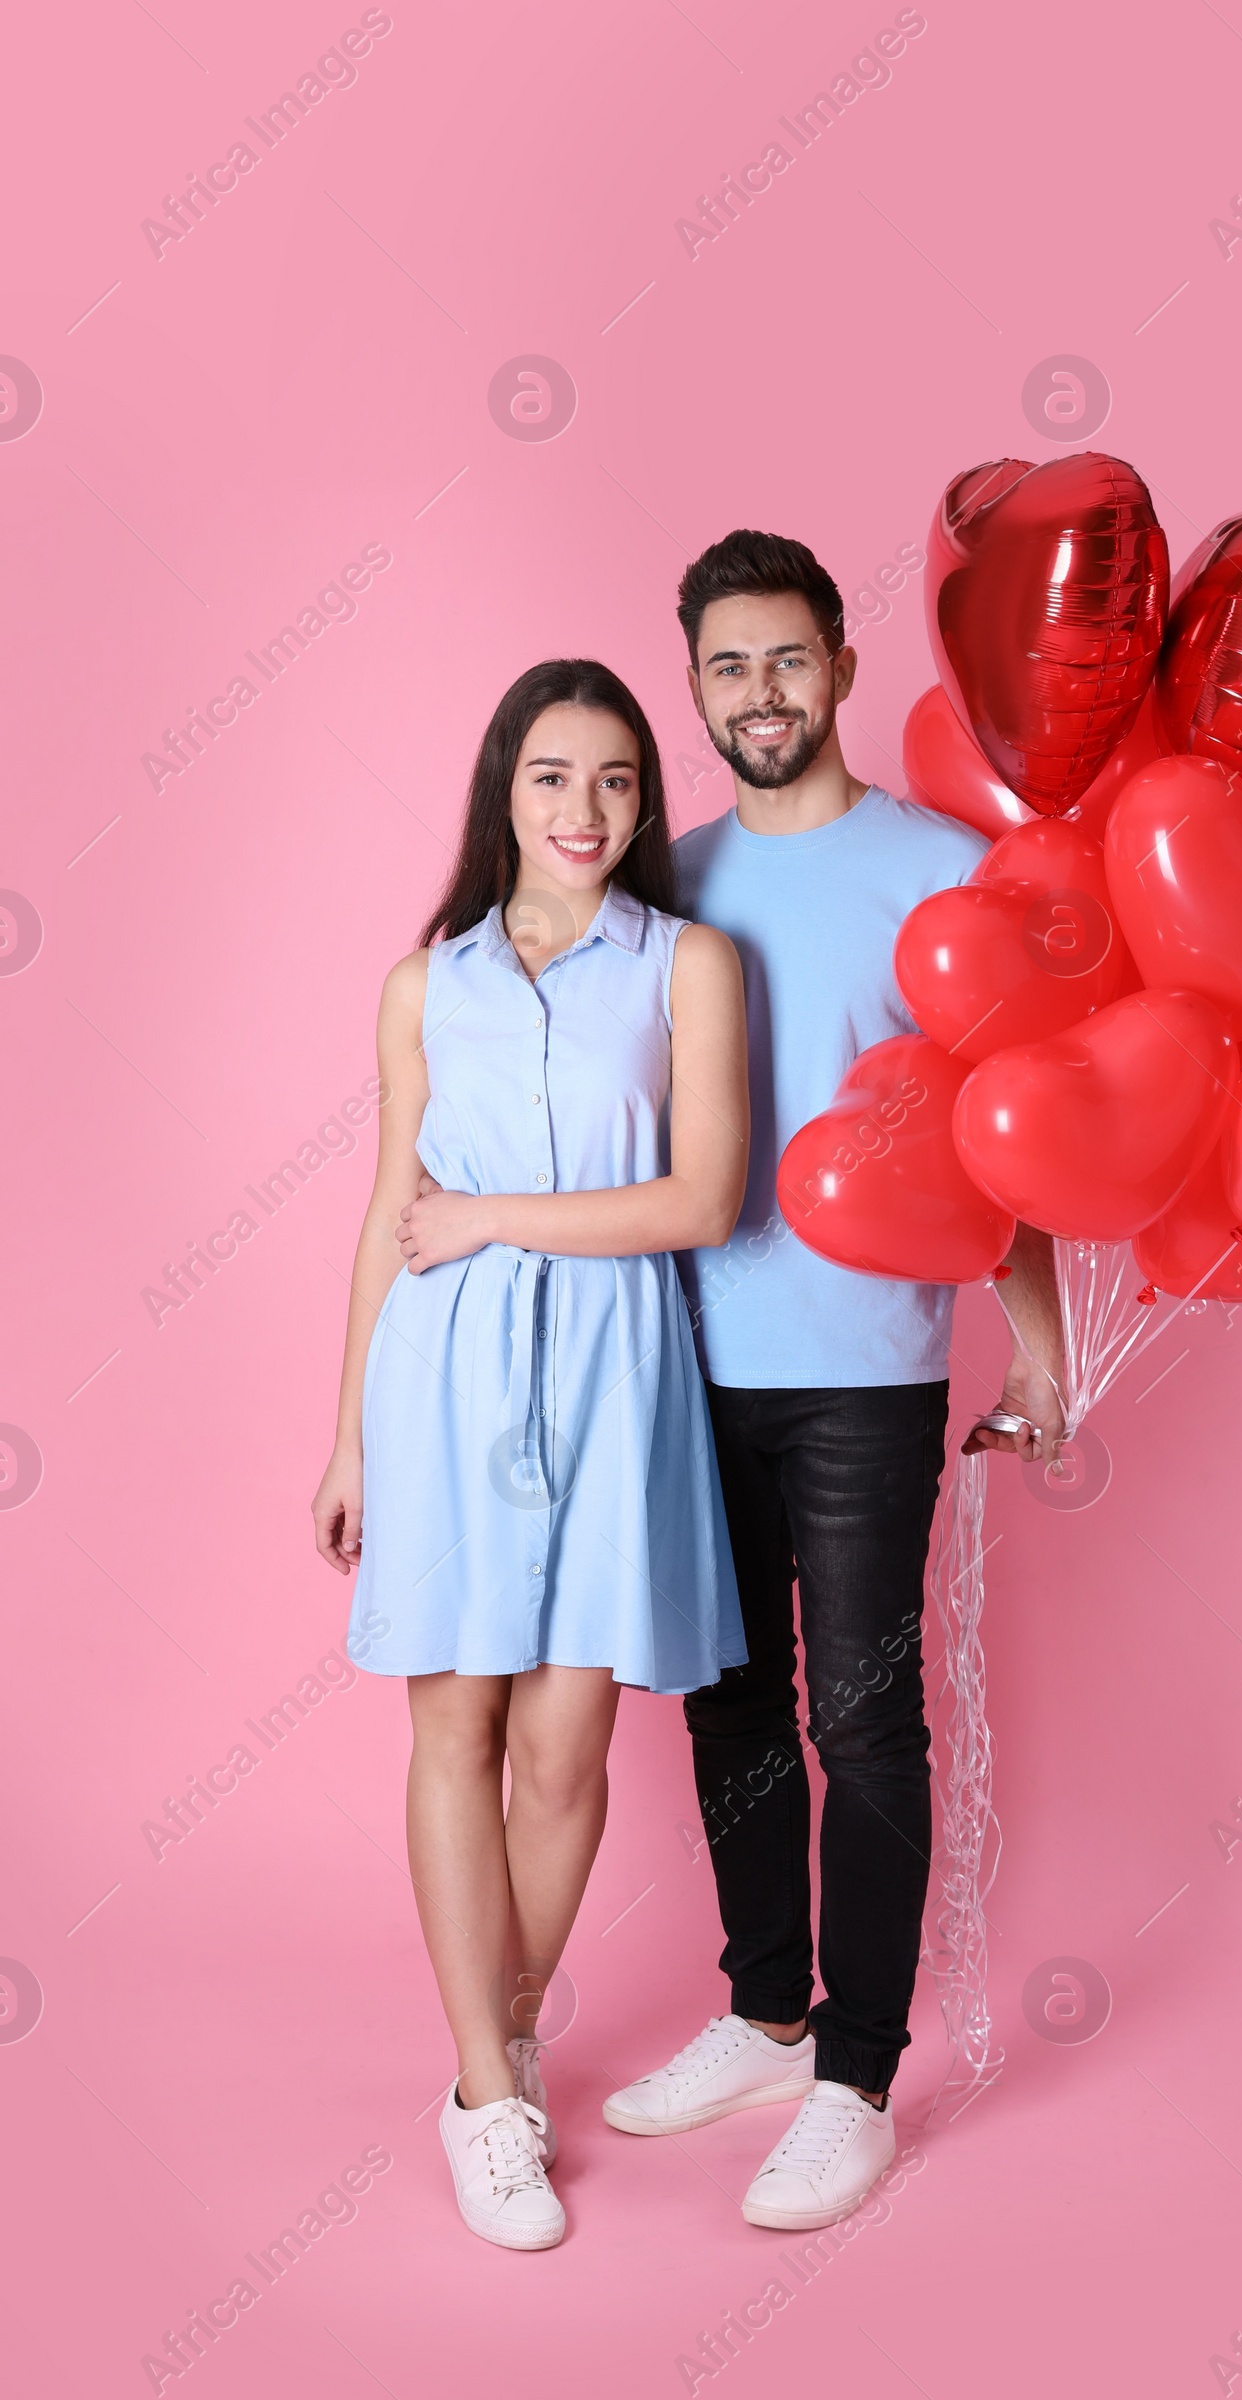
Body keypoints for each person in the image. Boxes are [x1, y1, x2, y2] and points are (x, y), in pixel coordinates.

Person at [602, 532, 1065, 2232]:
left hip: (869, 1379)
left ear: (845, 669)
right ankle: (766, 2012)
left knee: (864, 1721)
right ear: (698, 686)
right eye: (728, 667)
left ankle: (860, 2077)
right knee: (725, 1703)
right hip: (689, 1370)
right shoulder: (672, 882)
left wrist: (1045, 1342)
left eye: (789, 660)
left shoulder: (942, 871)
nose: (761, 695)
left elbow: (1008, 1127)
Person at [311, 658, 749, 2252]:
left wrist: (491, 1216)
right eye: (555, 775)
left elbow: (699, 1202)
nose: (585, 809)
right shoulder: (429, 983)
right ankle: (495, 2096)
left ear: (646, 800)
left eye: (619, 779)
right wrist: (349, 1430)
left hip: (620, 1368)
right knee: (457, 1726)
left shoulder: (690, 964)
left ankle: (494, 2042)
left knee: (568, 1745)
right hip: (444, 1377)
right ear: (505, 788)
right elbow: (386, 1211)